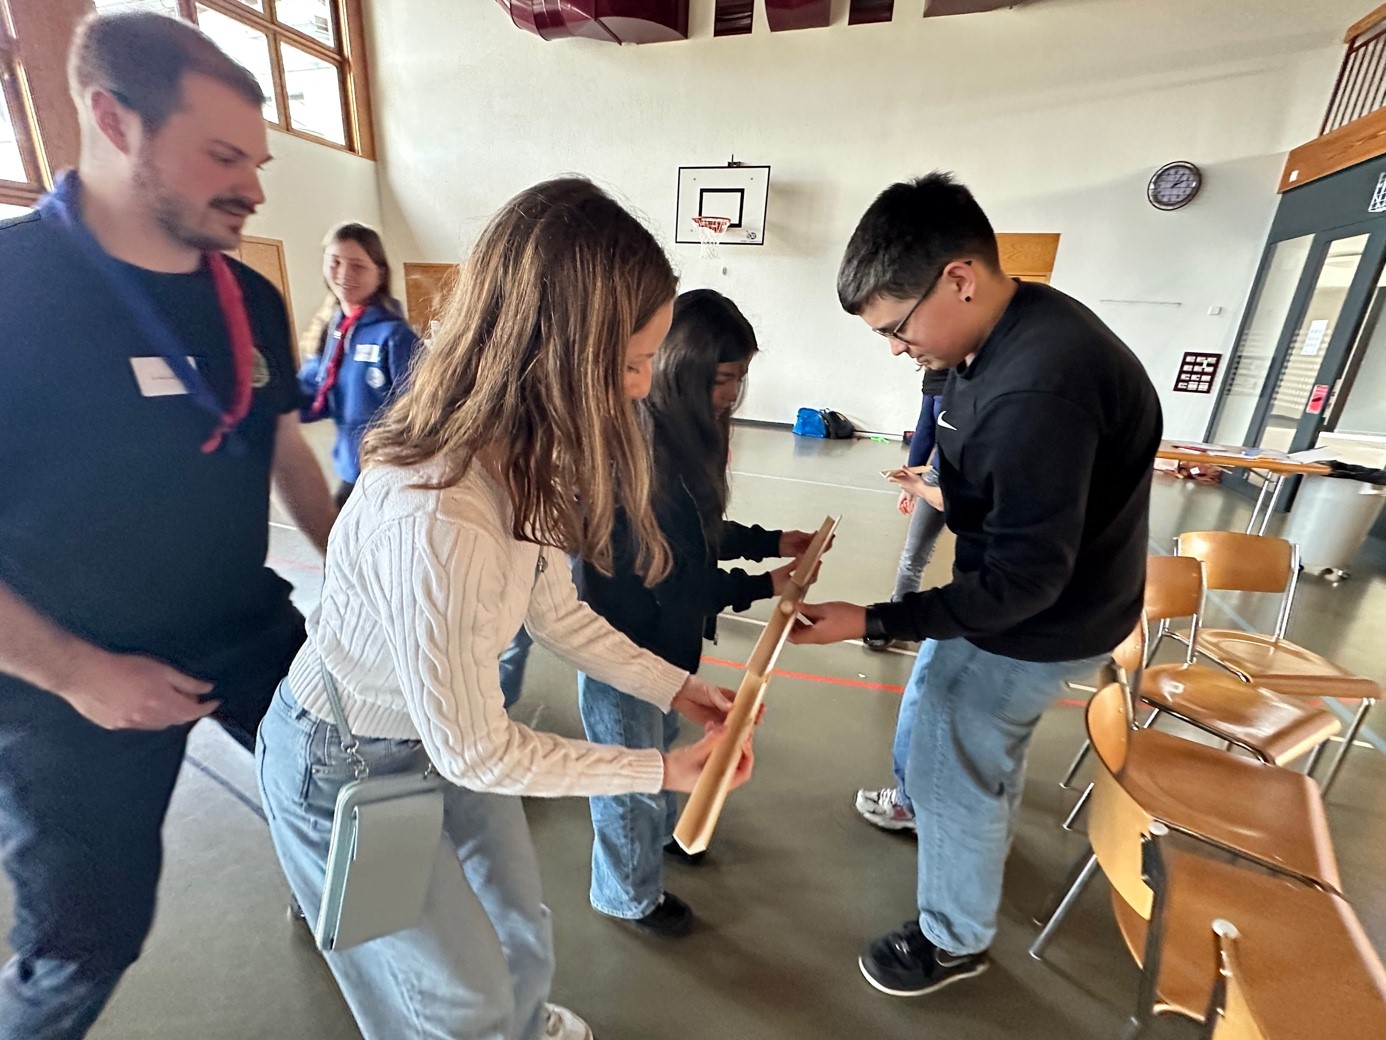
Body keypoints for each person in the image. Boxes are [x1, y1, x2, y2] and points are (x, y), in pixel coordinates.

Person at [256, 178, 753, 1040]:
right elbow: (479, 751)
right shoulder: (440, 516)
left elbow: (556, 613)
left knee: (520, 930)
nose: (643, 387)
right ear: (556, 351)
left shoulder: (527, 458)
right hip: (347, 763)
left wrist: (674, 688)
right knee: (454, 999)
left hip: (440, 740)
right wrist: (659, 770)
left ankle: (519, 1027)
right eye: (630, 362)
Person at [0, 13, 337, 1040]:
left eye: (257, 163)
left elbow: (282, 447)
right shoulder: (16, 290)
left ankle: (340, 909)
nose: (252, 189)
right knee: (84, 942)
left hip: (244, 626)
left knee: (356, 797)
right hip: (68, 674)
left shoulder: (248, 296)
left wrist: (361, 572)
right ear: (114, 122)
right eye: (222, 156)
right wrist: (77, 673)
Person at [792, 172, 1161, 998]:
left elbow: (1024, 580)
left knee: (957, 746)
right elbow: (989, 482)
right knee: (941, 712)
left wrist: (872, 619)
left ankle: (953, 938)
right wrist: (936, 488)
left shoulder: (1041, 385)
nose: (896, 348)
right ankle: (932, 807)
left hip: (1040, 617)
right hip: (1023, 593)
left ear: (958, 278)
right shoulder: (990, 339)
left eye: (896, 327)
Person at [573, 289, 816, 936]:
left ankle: (657, 839)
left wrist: (771, 543)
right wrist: (765, 584)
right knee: (629, 778)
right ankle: (627, 894)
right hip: (624, 649)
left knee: (658, 749)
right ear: (682, 369)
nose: (731, 395)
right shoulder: (644, 452)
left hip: (668, 645)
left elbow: (699, 536)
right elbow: (682, 581)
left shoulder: (687, 439)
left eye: (739, 378)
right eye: (722, 378)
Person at [856, 368, 950, 831]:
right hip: (937, 476)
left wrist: (923, 487)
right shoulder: (939, 376)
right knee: (913, 556)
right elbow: (927, 424)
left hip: (948, 486)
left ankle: (915, 803)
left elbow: (968, 501)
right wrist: (915, 476)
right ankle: (896, 619)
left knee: (927, 690)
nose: (899, 351)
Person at [297, 222, 421, 506]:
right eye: (335, 263)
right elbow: (316, 395)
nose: (343, 274)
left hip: (389, 478)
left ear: (380, 274)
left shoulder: (395, 336)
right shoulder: (332, 330)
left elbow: (421, 410)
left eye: (357, 266)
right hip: (351, 472)